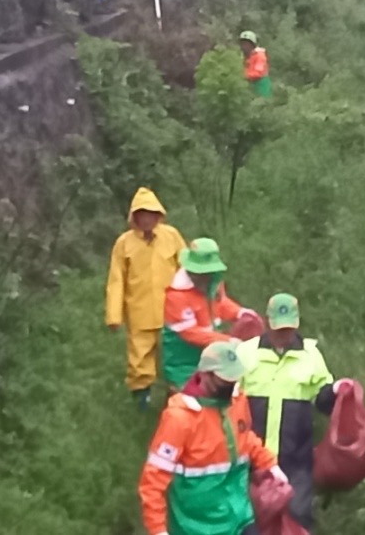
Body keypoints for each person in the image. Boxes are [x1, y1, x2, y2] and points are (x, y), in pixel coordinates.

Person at [140, 341, 287, 535]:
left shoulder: (237, 401)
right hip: (196, 526)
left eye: (234, 379)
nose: (230, 385)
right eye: (224, 380)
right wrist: (158, 530)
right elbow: (153, 480)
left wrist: (269, 464)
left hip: (240, 517)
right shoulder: (179, 419)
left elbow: (245, 437)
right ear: (204, 374)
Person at [238, 294, 352, 532]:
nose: (283, 334)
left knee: (297, 518)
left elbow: (322, 401)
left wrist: (335, 390)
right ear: (267, 323)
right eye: (278, 328)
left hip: (295, 459)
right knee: (250, 522)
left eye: (288, 328)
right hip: (250, 460)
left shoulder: (310, 357)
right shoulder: (246, 353)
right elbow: (227, 399)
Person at [107, 187, 188, 411]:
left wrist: (194, 299)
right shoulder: (124, 244)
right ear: (134, 216)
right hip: (139, 311)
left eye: (151, 214)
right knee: (140, 357)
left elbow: (187, 266)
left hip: (171, 310)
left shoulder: (171, 236)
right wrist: (114, 315)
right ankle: (142, 398)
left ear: (158, 215)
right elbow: (116, 280)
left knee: (174, 354)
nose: (147, 219)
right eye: (142, 214)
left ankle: (176, 395)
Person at [162, 237, 257, 390]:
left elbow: (221, 303)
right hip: (183, 359)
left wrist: (240, 313)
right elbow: (190, 333)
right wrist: (228, 341)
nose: (203, 277)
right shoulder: (176, 296)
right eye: (199, 273)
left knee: (217, 395)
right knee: (189, 400)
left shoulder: (214, 282)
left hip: (210, 352)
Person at [239, 31, 271, 98]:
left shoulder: (259, 55)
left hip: (261, 86)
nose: (243, 46)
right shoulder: (245, 56)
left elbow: (258, 73)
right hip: (251, 86)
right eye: (242, 44)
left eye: (246, 44)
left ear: (252, 45)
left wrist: (242, 76)